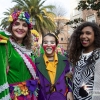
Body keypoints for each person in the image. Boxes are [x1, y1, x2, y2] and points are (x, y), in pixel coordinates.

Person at [0, 10, 38, 100]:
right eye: (17, 24)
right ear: (11, 26)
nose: (20, 28)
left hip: (29, 95)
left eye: (24, 25)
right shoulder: (5, 44)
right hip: (12, 96)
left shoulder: (29, 47)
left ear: (28, 29)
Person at [35, 33, 73, 100]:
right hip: (43, 97)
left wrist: (70, 92)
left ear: (56, 45)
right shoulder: (36, 61)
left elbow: (70, 78)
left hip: (61, 96)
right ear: (42, 45)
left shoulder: (65, 60)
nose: (49, 45)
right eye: (45, 42)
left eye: (52, 42)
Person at [68, 22, 100, 100]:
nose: (83, 36)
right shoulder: (77, 54)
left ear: (95, 36)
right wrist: (70, 91)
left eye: (88, 33)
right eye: (81, 33)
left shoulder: (98, 55)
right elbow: (72, 75)